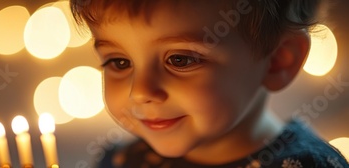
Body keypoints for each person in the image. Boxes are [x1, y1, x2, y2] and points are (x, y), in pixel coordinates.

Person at [69, 0, 349, 167]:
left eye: (179, 60)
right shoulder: (123, 160)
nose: (140, 92)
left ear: (278, 61)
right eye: (119, 62)